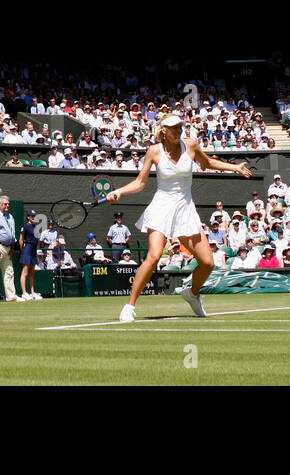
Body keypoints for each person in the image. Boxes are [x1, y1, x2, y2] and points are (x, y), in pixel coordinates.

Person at [106, 114, 251, 321]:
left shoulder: (191, 145)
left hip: (185, 209)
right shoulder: (153, 151)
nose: (178, 130)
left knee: (207, 263)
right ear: (163, 130)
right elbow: (140, 182)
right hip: (161, 208)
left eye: (180, 127)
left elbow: (207, 163)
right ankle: (130, 306)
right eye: (173, 127)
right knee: (154, 255)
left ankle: (191, 294)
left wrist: (234, 167)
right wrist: (119, 191)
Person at [18, 211, 41, 300]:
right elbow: (21, 239)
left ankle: (32, 293)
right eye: (32, 216)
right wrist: (22, 250)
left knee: (32, 273)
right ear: (28, 217)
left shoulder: (35, 227)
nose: (33, 217)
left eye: (34, 216)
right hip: (27, 249)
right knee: (25, 272)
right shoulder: (25, 226)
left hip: (33, 250)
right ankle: (24, 293)